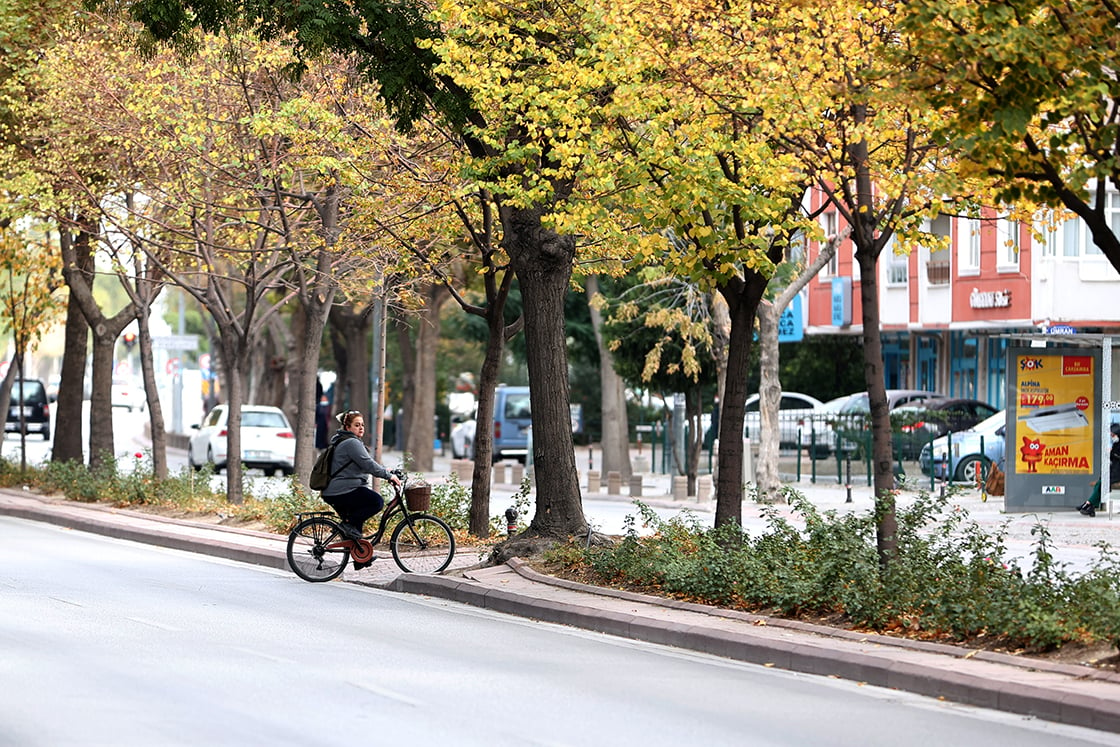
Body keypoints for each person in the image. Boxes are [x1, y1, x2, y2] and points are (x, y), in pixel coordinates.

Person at [321, 410, 401, 567]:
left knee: (354, 527)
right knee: (376, 502)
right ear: (347, 426)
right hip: (342, 490)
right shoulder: (352, 443)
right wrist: (388, 476)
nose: (361, 428)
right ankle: (347, 525)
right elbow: (368, 464)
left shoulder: (345, 440)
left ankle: (360, 559)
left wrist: (387, 471)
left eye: (362, 425)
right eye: (357, 425)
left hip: (338, 490)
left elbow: (365, 463)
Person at [1079, 423, 1120, 516]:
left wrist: (1113, 454)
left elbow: (1115, 457)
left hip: (1117, 474)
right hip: (1113, 472)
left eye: (1113, 434)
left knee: (1101, 484)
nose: (1111, 436)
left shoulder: (1118, 445)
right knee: (1100, 483)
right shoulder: (1116, 444)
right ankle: (1090, 505)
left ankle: (1088, 504)